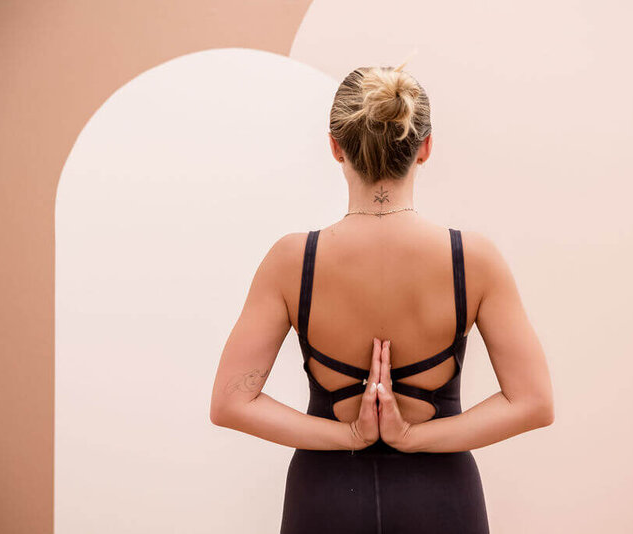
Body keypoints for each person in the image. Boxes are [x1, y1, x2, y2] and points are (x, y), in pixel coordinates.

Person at [209, 61, 555, 534]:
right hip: (441, 500)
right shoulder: (472, 259)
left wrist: (346, 433)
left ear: (335, 147)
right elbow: (533, 402)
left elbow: (231, 401)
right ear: (425, 148)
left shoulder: (293, 260)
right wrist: (413, 436)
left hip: (326, 499)